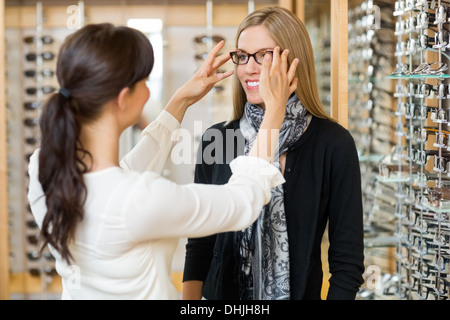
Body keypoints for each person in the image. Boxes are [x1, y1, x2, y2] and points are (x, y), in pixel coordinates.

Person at [27, 23, 300, 299]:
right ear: (124, 98)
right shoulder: (139, 198)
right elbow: (243, 202)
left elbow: (122, 174)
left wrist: (179, 102)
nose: (147, 92)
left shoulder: (45, 167)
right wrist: (275, 112)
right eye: (144, 82)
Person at [182, 6, 365, 300]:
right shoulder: (218, 138)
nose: (249, 68)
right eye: (242, 56)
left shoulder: (333, 143)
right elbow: (200, 242)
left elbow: (347, 262)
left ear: (294, 62)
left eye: (264, 55)